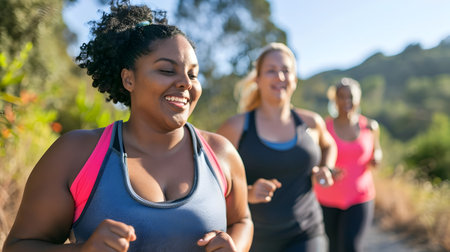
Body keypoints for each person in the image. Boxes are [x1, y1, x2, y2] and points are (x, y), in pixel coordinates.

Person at [3, 2, 253, 252]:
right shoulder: (76, 155)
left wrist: (236, 249)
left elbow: (242, 220)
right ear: (128, 78)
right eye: (167, 70)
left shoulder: (222, 154)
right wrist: (82, 251)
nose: (185, 83)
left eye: (193, 74)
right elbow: (17, 247)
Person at [217, 42, 337, 252]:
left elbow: (329, 145)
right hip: (254, 238)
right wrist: (248, 192)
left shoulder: (311, 122)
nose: (280, 77)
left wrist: (325, 167)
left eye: (286, 71)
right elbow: (213, 181)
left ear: (295, 80)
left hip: (306, 233)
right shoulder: (235, 127)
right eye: (271, 70)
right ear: (258, 79)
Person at [314, 77, 382, 252]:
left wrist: (377, 159)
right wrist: (328, 169)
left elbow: (377, 152)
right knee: (334, 247)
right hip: (328, 198)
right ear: (334, 100)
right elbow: (315, 160)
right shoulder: (323, 127)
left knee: (351, 245)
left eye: (350, 96)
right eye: (341, 96)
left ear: (358, 99)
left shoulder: (371, 126)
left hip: (361, 196)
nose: (346, 101)